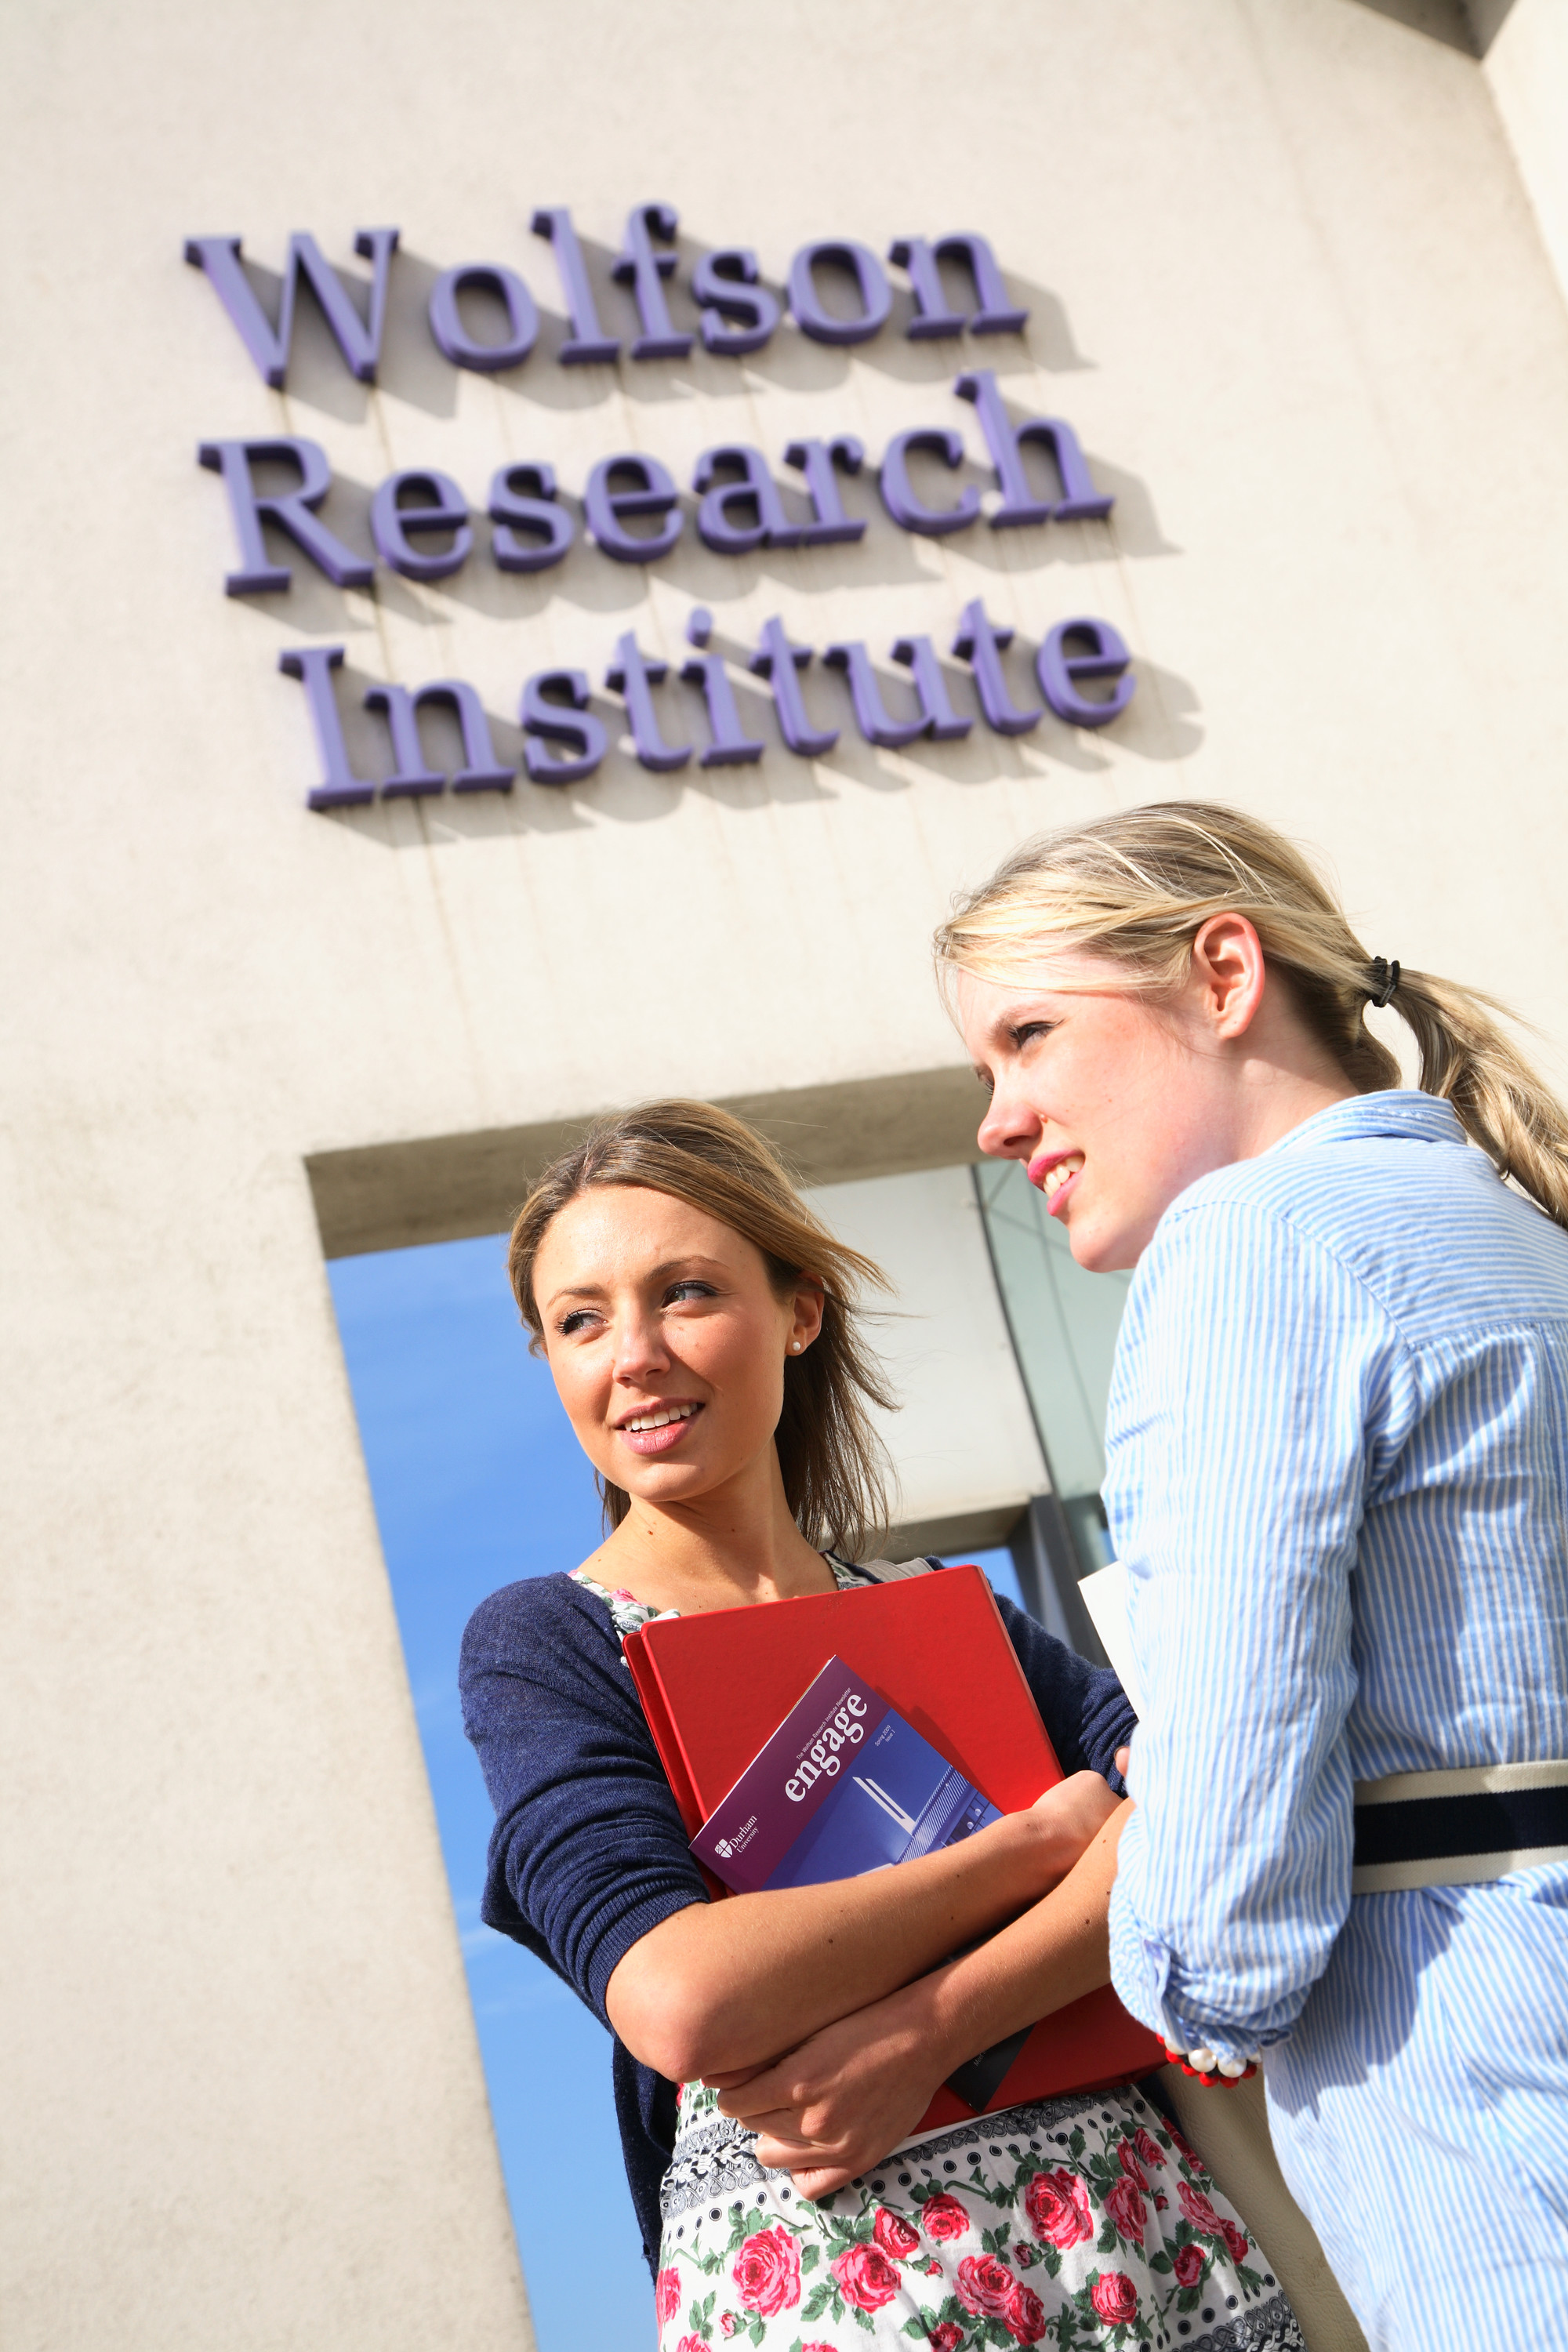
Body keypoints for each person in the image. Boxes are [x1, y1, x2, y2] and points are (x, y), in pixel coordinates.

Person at [460, 1100, 1301, 2352]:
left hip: (1143, 2248)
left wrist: (927, 2030)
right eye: (579, 1320)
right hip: (829, 2289)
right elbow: (683, 1998)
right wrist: (1031, 1851)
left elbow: (1197, 1821)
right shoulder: (549, 1644)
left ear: (800, 1311)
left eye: (684, 1292)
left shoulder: (948, 1616)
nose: (631, 1354)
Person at [933, 801, 1568, 2352]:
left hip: (1492, 2110)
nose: (996, 1120)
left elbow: (1228, 1919)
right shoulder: (1515, 1226)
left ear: (1223, 973)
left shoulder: (1253, 1248)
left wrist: (1166, 1933)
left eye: (1028, 1034)